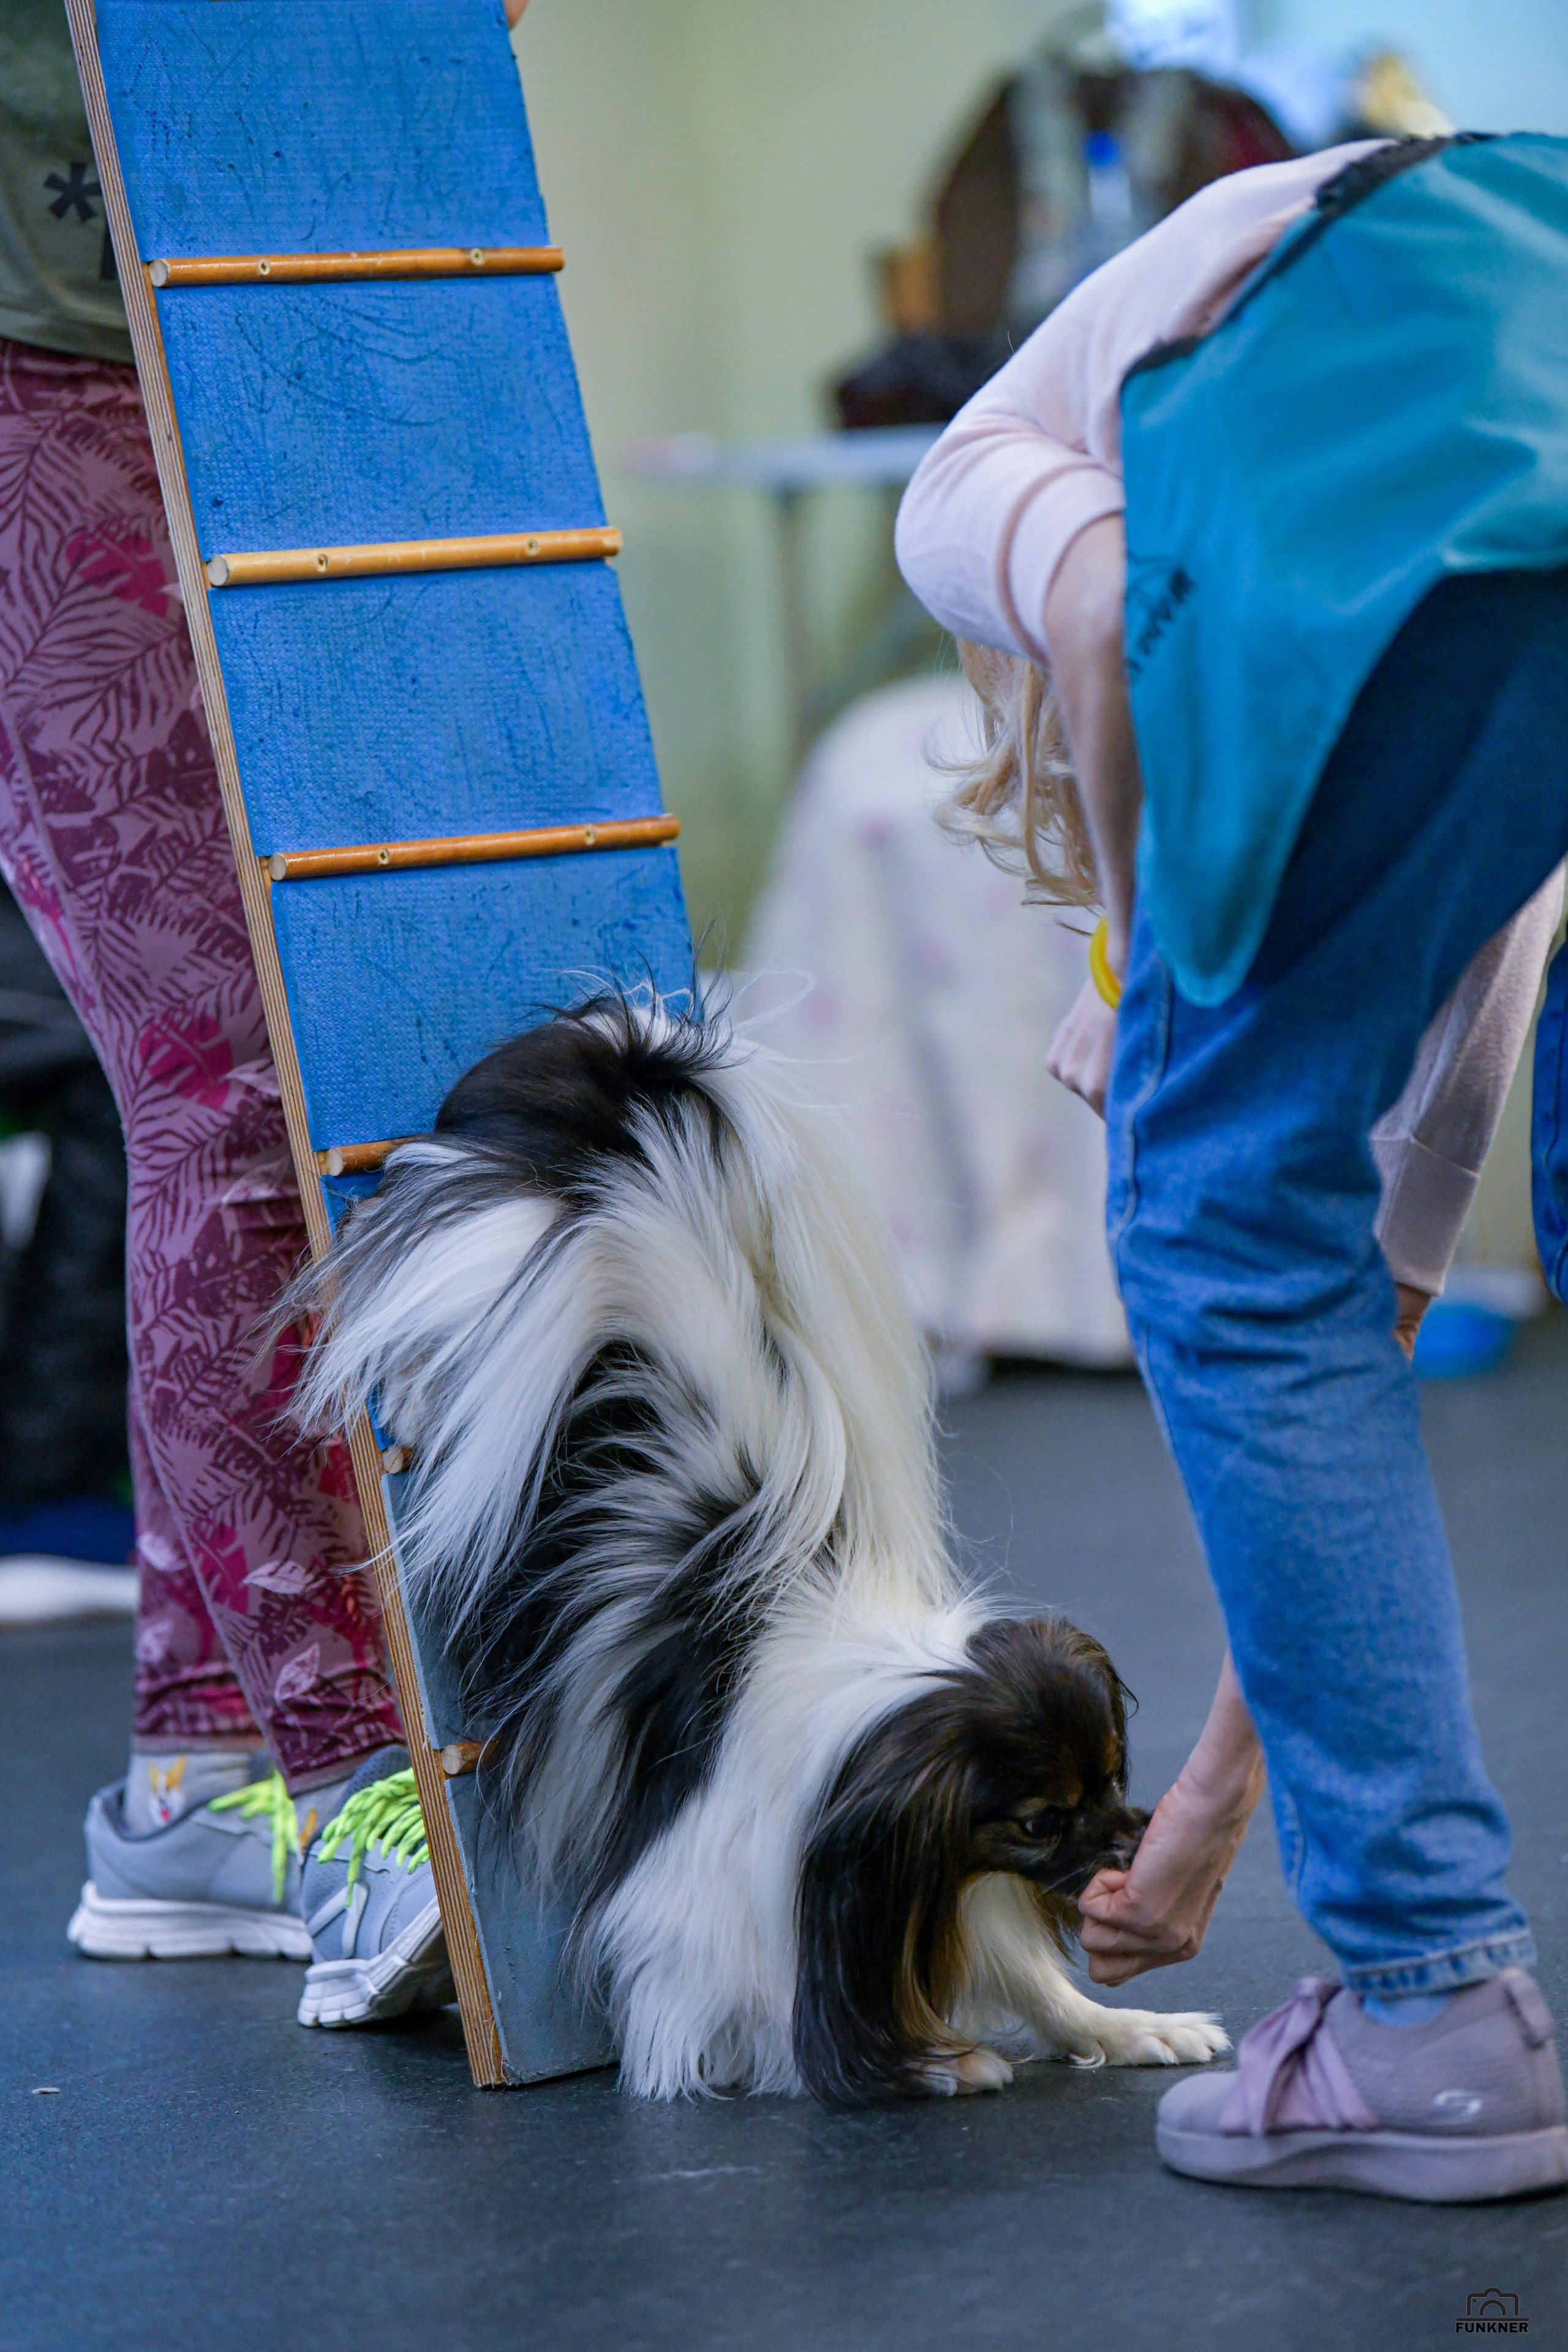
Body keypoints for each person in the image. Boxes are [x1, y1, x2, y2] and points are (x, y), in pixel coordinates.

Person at [897, 130, 1568, 2199]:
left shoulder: (983, 474)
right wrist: (1192, 1819)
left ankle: (1442, 2023)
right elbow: (1353, 1306)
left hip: (1428, 466)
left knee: (1203, 1205)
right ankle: (1433, 1997)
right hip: (1493, 413)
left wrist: (1147, 948)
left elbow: (1096, 619)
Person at [0, 0, 537, 2022]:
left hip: (276, 322)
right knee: (226, 1079)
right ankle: (343, 1787)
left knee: (378, 1044)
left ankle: (197, 1769)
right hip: (35, 374)